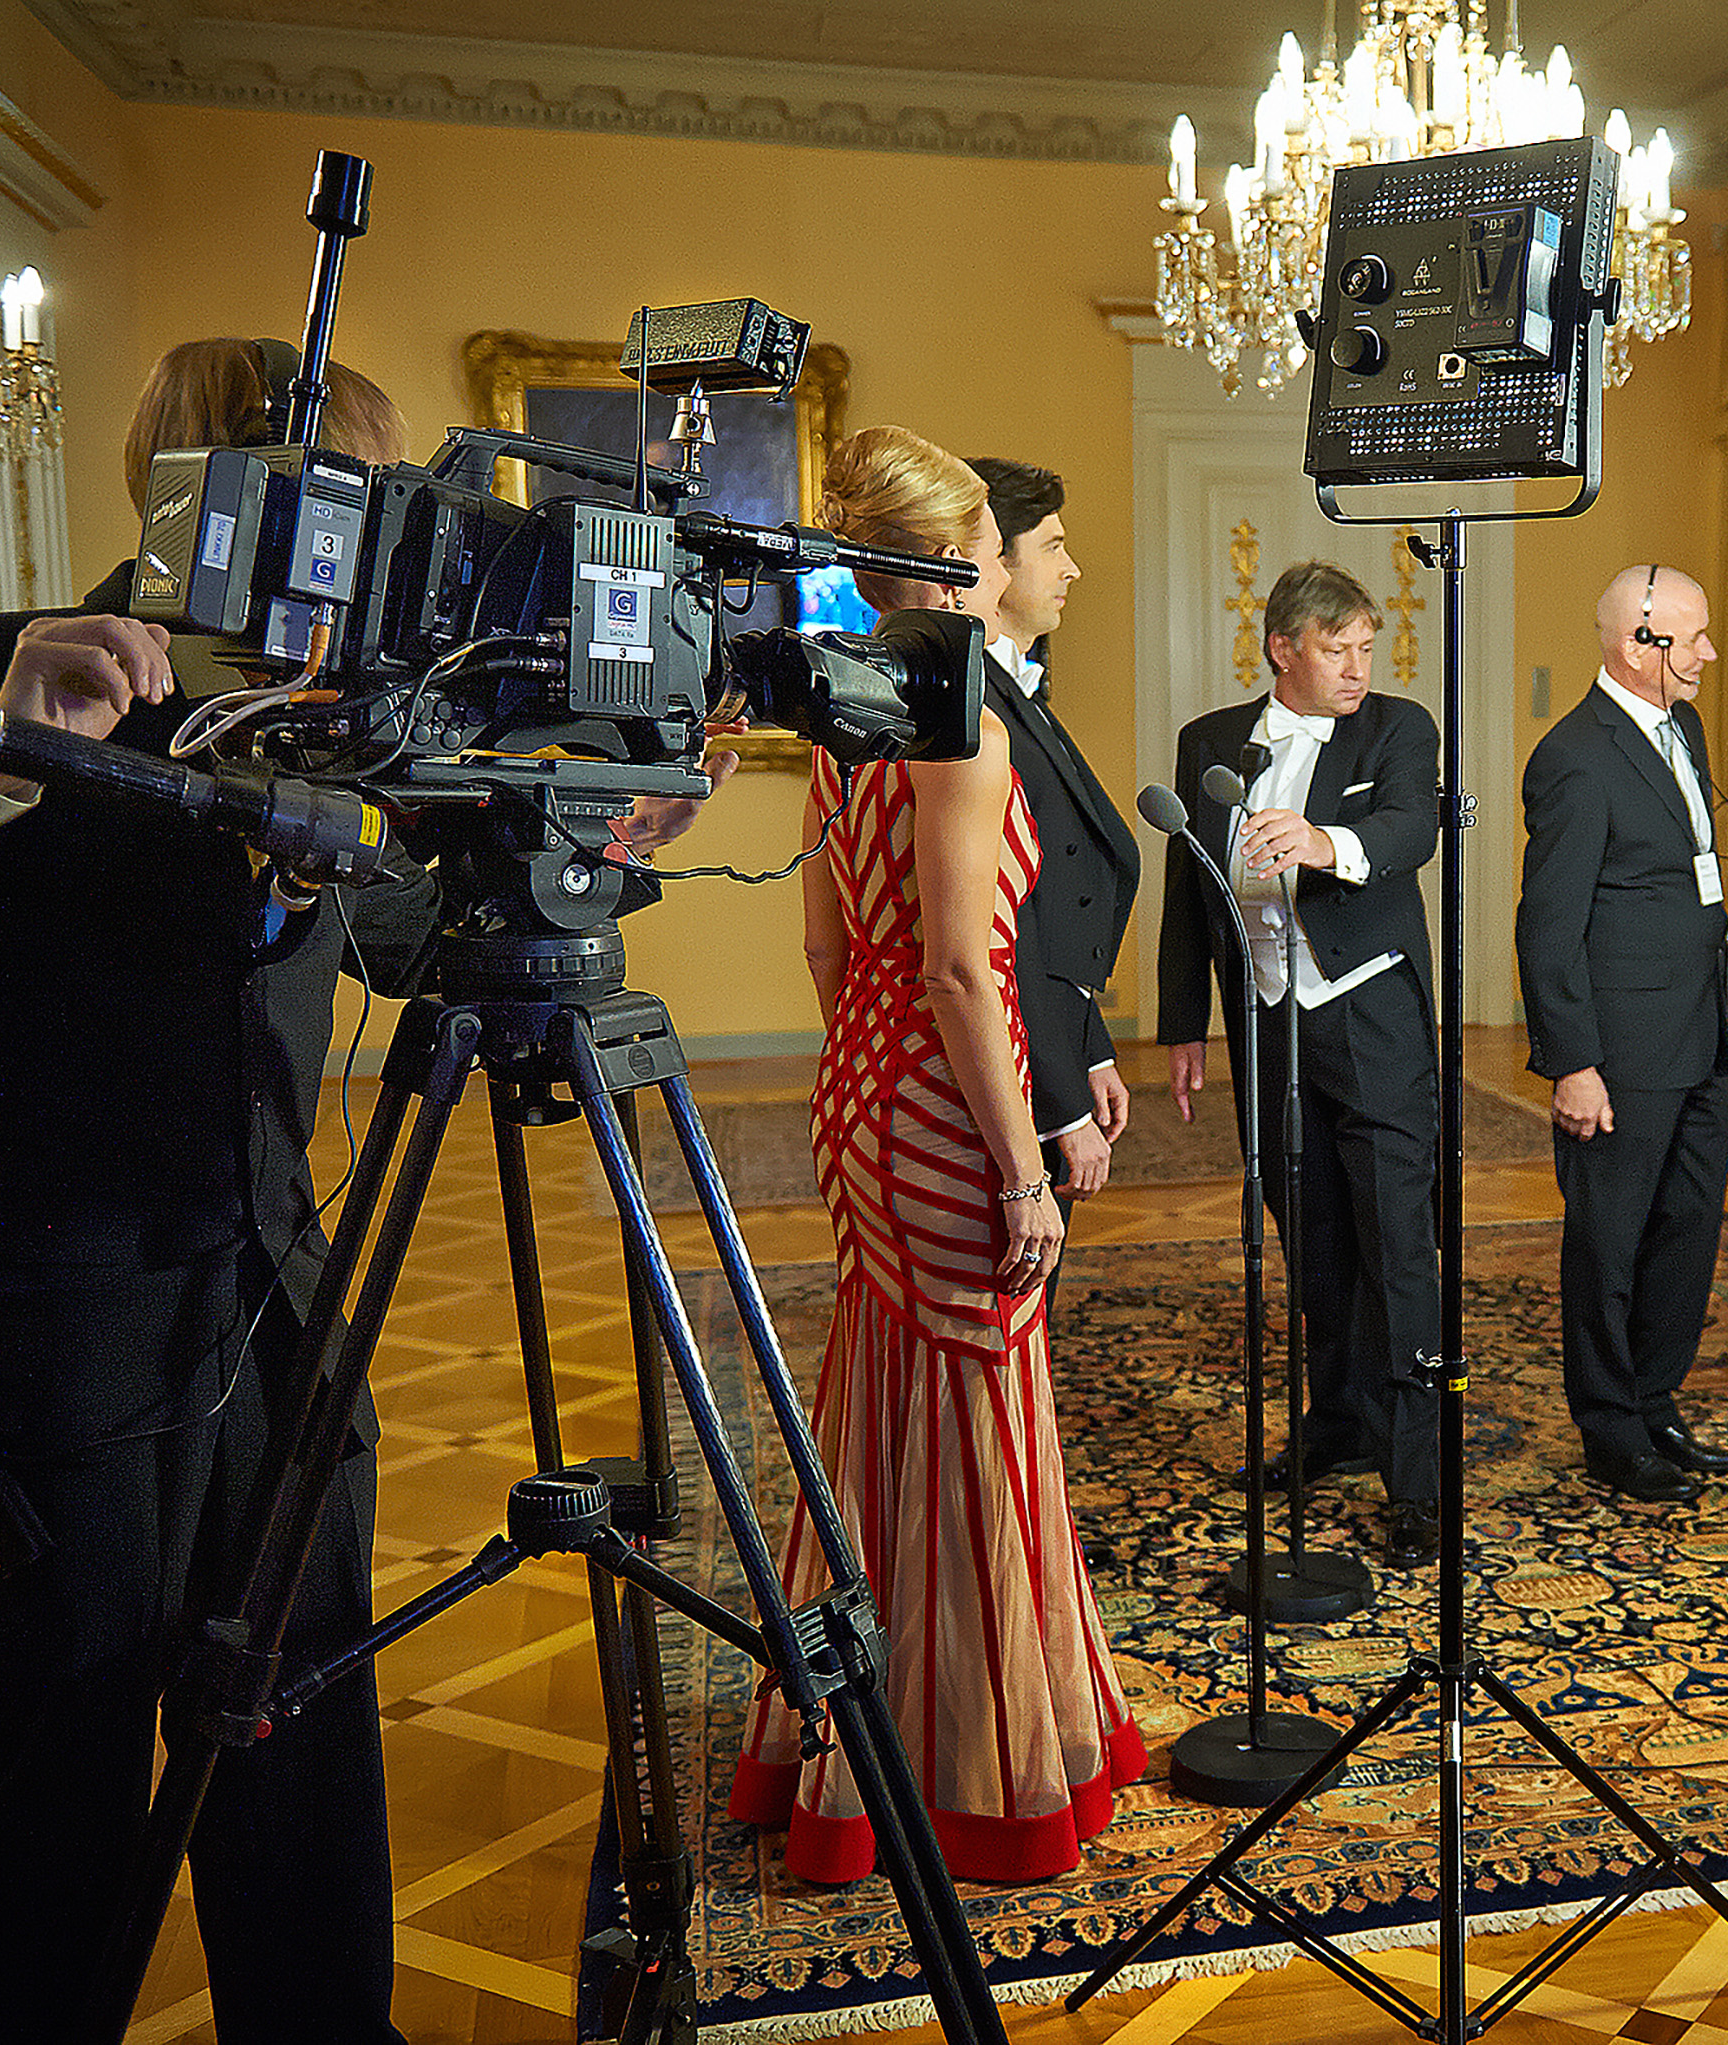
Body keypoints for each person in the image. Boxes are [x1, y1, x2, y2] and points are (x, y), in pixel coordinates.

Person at [0, 339, 439, 2043]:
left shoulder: (337, 719)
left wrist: (577, 844)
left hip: (280, 1297)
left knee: (304, 1742)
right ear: (184, 494)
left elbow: (398, 941)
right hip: (60, 1316)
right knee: (67, 1780)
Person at [727, 425, 1141, 1885]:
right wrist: (1023, 1165)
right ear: (958, 558)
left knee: (881, 1408)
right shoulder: (957, 721)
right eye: (986, 534)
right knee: (971, 1420)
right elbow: (965, 971)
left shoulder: (846, 711)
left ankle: (858, 1737)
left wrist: (870, 1067)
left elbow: (829, 946)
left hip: (865, 1086)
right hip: (949, 1104)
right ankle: (977, 1765)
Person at [1157, 561, 1444, 1565]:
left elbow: (1411, 827)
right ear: (1282, 648)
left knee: (1396, 1243)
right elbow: (1188, 884)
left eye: (1366, 647)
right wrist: (1184, 1024)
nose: (1359, 667)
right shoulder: (1209, 742)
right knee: (1311, 1231)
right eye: (1336, 648)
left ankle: (1418, 1480)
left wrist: (1323, 839)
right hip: (1265, 1020)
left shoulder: (1399, 729)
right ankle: (1339, 1422)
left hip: (1370, 1014)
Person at [1517, 564, 1728, 1505]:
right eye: (1693, 638)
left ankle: (1654, 1399)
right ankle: (1610, 1427)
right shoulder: (1574, 756)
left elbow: (1695, 884)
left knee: (1687, 1230)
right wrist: (1573, 1063)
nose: (1709, 653)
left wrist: (1723, 1005)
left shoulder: (1683, 727)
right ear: (1636, 646)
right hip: (1619, 1052)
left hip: (1699, 1036)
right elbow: (1547, 926)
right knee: (1609, 1243)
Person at [966, 458, 1136, 1206]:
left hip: (1053, 1041)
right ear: (995, 563)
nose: (1072, 568)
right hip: (1007, 1064)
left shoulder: (1016, 687)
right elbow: (1012, 920)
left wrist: (1090, 1048)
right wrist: (1061, 1105)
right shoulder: (975, 705)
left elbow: (1061, 895)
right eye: (1053, 547)